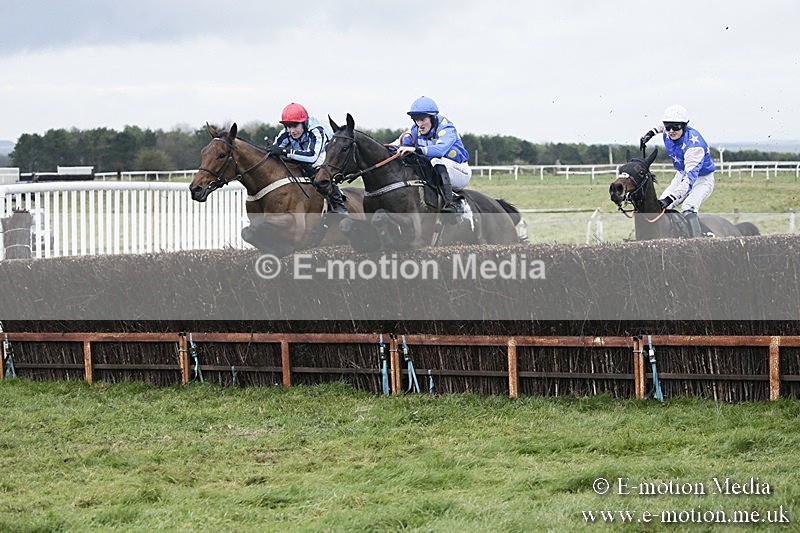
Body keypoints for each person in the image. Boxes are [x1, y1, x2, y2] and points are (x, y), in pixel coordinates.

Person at [639, 104, 716, 238]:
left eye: (675, 127)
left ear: (684, 126)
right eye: (668, 127)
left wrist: (671, 198)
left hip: (701, 179)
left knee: (688, 207)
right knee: (660, 207)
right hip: (681, 175)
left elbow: (689, 180)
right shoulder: (669, 130)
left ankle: (699, 241)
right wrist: (650, 133)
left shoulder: (694, 147)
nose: (671, 131)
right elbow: (662, 126)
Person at [393, 96, 472, 214]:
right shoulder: (415, 130)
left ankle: (451, 203)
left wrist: (416, 149)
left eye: (423, 119)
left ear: (433, 118)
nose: (420, 124)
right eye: (416, 120)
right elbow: (397, 146)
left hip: (459, 171)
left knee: (435, 160)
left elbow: (440, 150)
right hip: (437, 171)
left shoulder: (447, 128)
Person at [267, 102, 347, 214]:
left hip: (323, 153)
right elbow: (274, 151)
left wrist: (285, 151)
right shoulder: (286, 133)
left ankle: (338, 204)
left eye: (295, 126)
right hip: (304, 153)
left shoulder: (316, 130)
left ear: (304, 123)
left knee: (319, 173)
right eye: (289, 126)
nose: (292, 131)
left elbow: (312, 156)